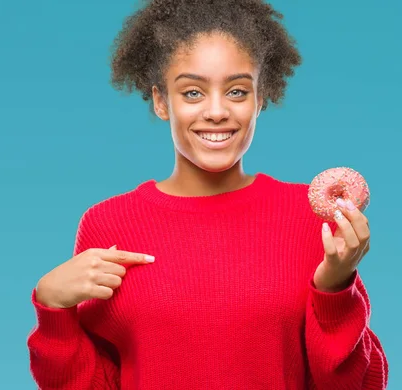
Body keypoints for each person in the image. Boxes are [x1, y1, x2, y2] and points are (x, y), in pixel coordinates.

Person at [26, 0, 389, 388]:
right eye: (193, 93)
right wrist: (52, 306)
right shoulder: (106, 224)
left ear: (260, 99)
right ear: (162, 101)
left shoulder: (308, 219)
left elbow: (363, 383)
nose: (216, 111)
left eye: (236, 91)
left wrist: (335, 286)